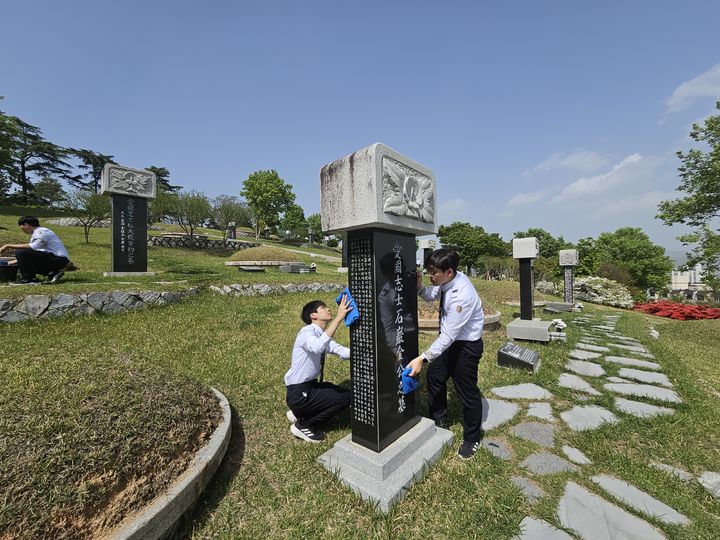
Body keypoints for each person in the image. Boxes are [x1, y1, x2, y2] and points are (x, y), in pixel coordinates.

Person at [406, 248, 485, 460]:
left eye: (434, 273)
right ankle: (439, 420)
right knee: (435, 377)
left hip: (465, 347)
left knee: (467, 392)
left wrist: (422, 357)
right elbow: (434, 294)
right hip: (449, 344)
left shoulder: (462, 296)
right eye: (429, 271)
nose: (431, 276)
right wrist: (420, 287)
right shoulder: (449, 280)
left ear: (449, 272)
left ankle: (472, 438)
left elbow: (449, 335)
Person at [284, 296, 352, 443]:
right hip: (299, 393)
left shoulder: (320, 336)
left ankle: (299, 413)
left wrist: (368, 353)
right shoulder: (306, 332)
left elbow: (341, 351)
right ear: (313, 315)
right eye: (323, 307)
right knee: (345, 398)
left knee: (333, 389)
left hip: (307, 388)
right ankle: (304, 425)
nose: (328, 309)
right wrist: (339, 318)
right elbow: (317, 347)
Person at [0, 216, 69, 284]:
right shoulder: (36, 234)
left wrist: (7, 246)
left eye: (21, 227)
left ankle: (29, 279)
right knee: (23, 256)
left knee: (20, 251)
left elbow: (33, 247)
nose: (22, 230)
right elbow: (35, 254)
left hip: (60, 260)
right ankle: (52, 273)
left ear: (26, 225)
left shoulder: (42, 231)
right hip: (54, 259)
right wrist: (13, 262)